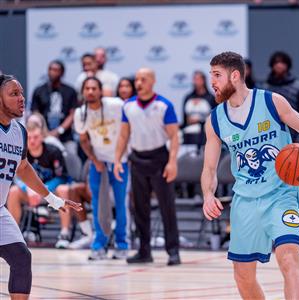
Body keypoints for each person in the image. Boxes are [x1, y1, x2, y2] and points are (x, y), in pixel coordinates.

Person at [201, 52, 299, 300]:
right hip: (245, 201)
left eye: (216, 75)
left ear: (234, 76)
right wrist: (207, 195)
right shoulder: (215, 120)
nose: (211, 81)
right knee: (243, 276)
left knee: (288, 259)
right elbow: (210, 169)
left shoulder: (271, 102)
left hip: (282, 194)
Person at [0, 74, 81, 299]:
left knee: (21, 258)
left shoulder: (19, 132)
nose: (21, 98)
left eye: (21, 93)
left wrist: (53, 199)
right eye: (14, 94)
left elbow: (23, 168)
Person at [114, 68, 181, 266]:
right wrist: (118, 160)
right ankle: (144, 251)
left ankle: (173, 251)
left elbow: (174, 136)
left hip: (160, 159)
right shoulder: (128, 106)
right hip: (137, 160)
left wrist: (172, 161)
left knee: (166, 207)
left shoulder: (164, 105)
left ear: (152, 81)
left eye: (143, 79)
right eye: (136, 79)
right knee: (139, 209)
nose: (139, 82)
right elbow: (124, 135)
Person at [74, 77, 129, 260]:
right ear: (83, 92)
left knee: (121, 203)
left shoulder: (116, 105)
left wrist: (120, 157)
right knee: (98, 203)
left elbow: (128, 128)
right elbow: (83, 140)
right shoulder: (80, 113)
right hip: (98, 162)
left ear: (100, 91)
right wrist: (94, 159)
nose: (90, 91)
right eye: (87, 88)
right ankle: (99, 245)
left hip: (120, 160)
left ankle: (122, 244)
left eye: (94, 88)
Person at [7, 122, 73, 249]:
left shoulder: (54, 151)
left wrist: (44, 189)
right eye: (29, 138)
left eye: (36, 137)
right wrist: (29, 189)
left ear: (42, 136)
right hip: (30, 194)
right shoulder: (21, 152)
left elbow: (62, 177)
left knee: (64, 189)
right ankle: (12, 236)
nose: (32, 141)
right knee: (14, 191)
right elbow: (16, 175)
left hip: (51, 191)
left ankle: (64, 234)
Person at [31, 60, 78, 155]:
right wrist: (44, 132)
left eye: (56, 70)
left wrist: (59, 131)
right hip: (43, 135)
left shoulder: (70, 91)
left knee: (71, 155)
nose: (53, 72)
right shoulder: (39, 90)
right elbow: (35, 114)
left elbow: (72, 114)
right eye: (51, 69)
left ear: (62, 72)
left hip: (65, 136)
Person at [263, 51, 299, 142]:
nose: (279, 65)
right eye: (276, 62)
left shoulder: (298, 86)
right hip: (270, 133)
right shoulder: (265, 87)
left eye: (282, 62)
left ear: (288, 65)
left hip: (294, 132)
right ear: (272, 65)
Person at [182, 70, 215, 145]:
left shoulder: (210, 97)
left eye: (197, 79)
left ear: (203, 80)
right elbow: (184, 118)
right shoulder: (188, 97)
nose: (195, 82)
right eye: (194, 79)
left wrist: (200, 121)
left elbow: (215, 118)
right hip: (189, 131)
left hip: (205, 132)